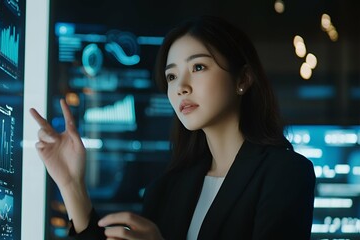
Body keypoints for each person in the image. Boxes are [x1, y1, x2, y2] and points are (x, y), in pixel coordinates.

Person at [30, 15, 316, 239]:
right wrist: (71, 185)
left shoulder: (286, 174)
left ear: (242, 79)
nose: (181, 87)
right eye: (171, 76)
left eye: (198, 67)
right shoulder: (166, 189)